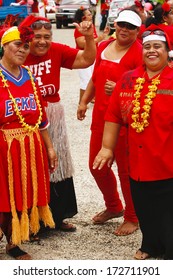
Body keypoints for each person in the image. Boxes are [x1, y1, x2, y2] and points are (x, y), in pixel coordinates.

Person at [93, 24, 173, 260]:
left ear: (167, 51)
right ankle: (150, 245)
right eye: (147, 46)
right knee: (144, 206)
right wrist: (107, 148)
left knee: (168, 210)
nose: (151, 51)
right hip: (137, 161)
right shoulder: (128, 79)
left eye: (157, 46)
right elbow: (113, 115)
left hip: (167, 162)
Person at [19, 14, 96, 232]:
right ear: (27, 38)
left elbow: (86, 59)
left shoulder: (57, 50)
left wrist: (89, 38)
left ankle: (57, 217)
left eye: (47, 36)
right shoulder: (18, 53)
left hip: (53, 114)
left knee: (57, 166)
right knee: (30, 167)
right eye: (36, 36)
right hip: (26, 116)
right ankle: (32, 223)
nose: (42, 41)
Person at [77, 9, 143, 236]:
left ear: (137, 30)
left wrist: (121, 89)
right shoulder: (104, 47)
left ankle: (133, 217)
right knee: (97, 166)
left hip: (125, 121)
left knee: (126, 171)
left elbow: (147, 87)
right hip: (102, 118)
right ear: (115, 24)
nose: (125, 29)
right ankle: (114, 206)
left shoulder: (139, 53)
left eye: (131, 27)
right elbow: (95, 78)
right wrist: (84, 101)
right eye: (122, 24)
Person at [0, 25, 57, 260]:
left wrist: (50, 147)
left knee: (23, 194)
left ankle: (13, 242)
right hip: (4, 144)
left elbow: (41, 118)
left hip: (30, 144)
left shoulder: (30, 77)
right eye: (17, 45)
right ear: (4, 46)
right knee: (3, 195)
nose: (22, 50)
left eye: (25, 47)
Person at [74, 7, 108, 103]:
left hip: (93, 56)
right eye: (89, 14)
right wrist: (99, 39)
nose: (91, 16)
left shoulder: (91, 27)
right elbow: (81, 43)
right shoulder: (79, 28)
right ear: (83, 18)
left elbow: (94, 40)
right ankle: (82, 101)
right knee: (85, 80)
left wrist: (102, 36)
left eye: (90, 14)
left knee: (93, 78)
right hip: (82, 57)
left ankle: (92, 97)